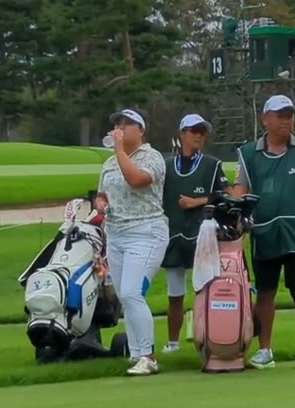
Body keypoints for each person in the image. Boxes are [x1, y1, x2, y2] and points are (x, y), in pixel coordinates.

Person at [231, 95, 295, 371]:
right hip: (264, 233)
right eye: (280, 115)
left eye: (289, 115)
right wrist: (236, 216)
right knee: (265, 293)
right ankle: (265, 350)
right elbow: (241, 187)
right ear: (265, 119)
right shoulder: (249, 153)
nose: (286, 121)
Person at [95, 109, 169, 376]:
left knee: (131, 292)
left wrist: (119, 150)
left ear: (141, 130)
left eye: (128, 124)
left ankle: (148, 356)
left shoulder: (151, 157)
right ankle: (137, 353)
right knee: (125, 296)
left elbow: (137, 180)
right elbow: (102, 193)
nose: (121, 128)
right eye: (118, 124)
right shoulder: (109, 163)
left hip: (146, 231)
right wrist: (100, 203)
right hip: (116, 233)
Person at [160, 114, 229, 352]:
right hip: (173, 234)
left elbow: (226, 196)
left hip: (204, 236)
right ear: (182, 134)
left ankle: (208, 338)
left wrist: (197, 201)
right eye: (194, 131)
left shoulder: (212, 164)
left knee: (206, 291)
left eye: (202, 131)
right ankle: (173, 342)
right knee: (174, 293)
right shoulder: (166, 166)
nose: (199, 135)